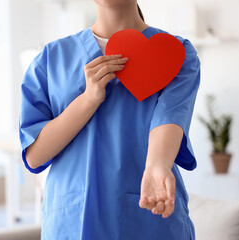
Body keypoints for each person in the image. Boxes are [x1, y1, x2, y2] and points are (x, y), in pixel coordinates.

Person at [19, 0, 200, 239]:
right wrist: (88, 100)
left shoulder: (176, 53)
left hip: (149, 220)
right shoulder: (50, 59)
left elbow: (170, 117)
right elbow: (34, 155)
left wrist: (157, 165)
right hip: (72, 224)